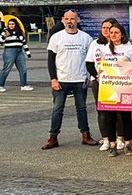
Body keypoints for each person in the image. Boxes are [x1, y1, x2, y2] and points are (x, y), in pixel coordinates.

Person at [41, 9, 96, 149]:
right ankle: (53, 137)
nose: (70, 21)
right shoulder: (56, 37)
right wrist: (53, 78)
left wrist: (90, 76)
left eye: (73, 19)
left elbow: (91, 60)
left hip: (80, 79)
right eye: (67, 19)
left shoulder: (86, 38)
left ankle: (86, 135)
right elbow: (50, 60)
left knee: (82, 108)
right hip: (61, 79)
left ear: (78, 20)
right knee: (57, 109)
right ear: (63, 20)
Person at [86, 21, 132, 156]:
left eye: (116, 32)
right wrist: (98, 75)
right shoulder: (103, 48)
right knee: (109, 116)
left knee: (125, 116)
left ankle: (127, 144)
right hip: (107, 85)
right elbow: (98, 65)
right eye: (111, 32)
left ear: (122, 34)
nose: (113, 34)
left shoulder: (129, 48)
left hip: (124, 85)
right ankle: (112, 144)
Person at [0, 16, 33, 92]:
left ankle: (24, 85)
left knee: (23, 69)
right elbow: (0, 42)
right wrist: (4, 36)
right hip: (9, 51)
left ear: (16, 25)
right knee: (7, 69)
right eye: (9, 24)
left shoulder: (20, 33)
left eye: (12, 24)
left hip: (19, 52)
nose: (11, 25)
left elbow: (24, 43)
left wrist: (28, 53)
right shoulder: (5, 32)